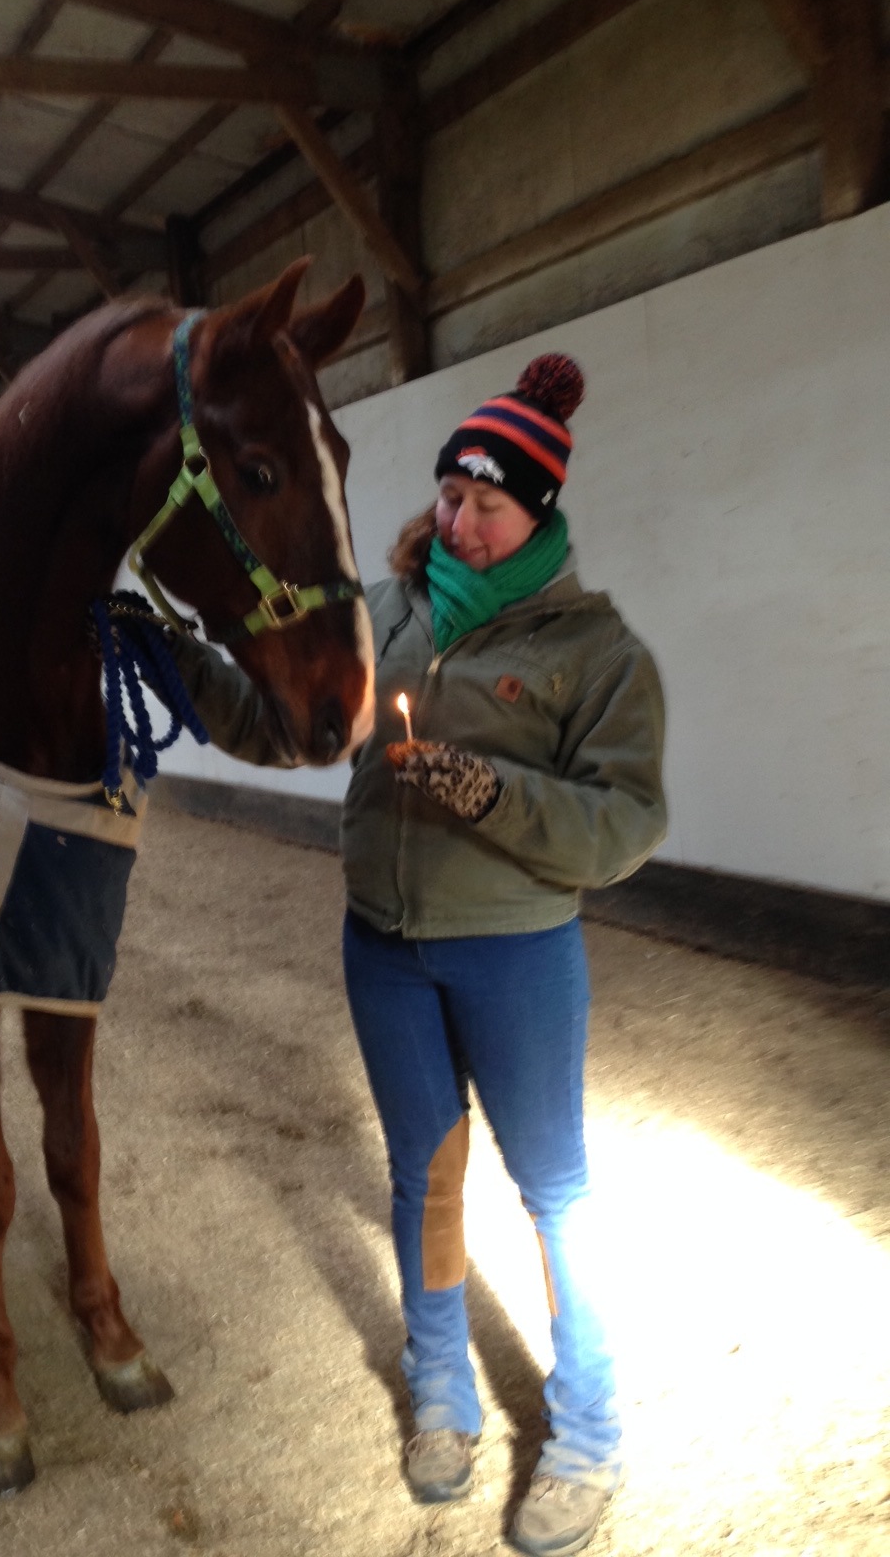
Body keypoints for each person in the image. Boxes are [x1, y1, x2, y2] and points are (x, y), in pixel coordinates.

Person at [168, 354, 667, 1557]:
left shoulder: (598, 655)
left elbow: (625, 826)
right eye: (451, 495)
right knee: (424, 1177)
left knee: (555, 1193)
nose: (460, 521)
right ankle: (441, 1386)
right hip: (382, 948)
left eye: (488, 505)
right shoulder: (382, 613)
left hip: (515, 955)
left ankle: (590, 1423)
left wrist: (487, 789)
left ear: (538, 511)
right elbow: (284, 723)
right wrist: (174, 654)